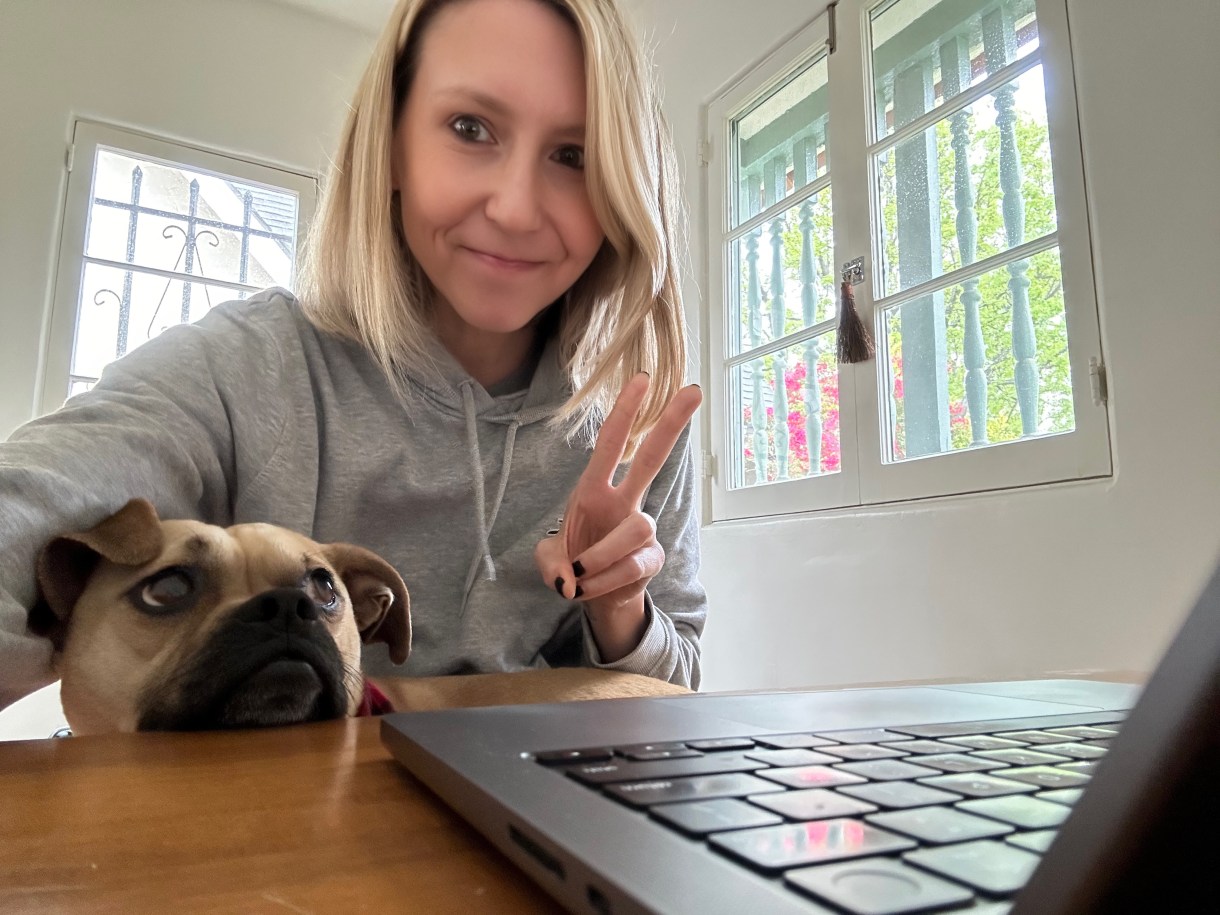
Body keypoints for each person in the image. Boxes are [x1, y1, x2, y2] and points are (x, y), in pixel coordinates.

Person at [0, 0, 706, 713]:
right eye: (470, 129)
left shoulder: (639, 420)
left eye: (573, 156)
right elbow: (21, 511)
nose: (517, 208)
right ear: (393, 145)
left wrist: (622, 606)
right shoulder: (251, 368)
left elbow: (674, 687)